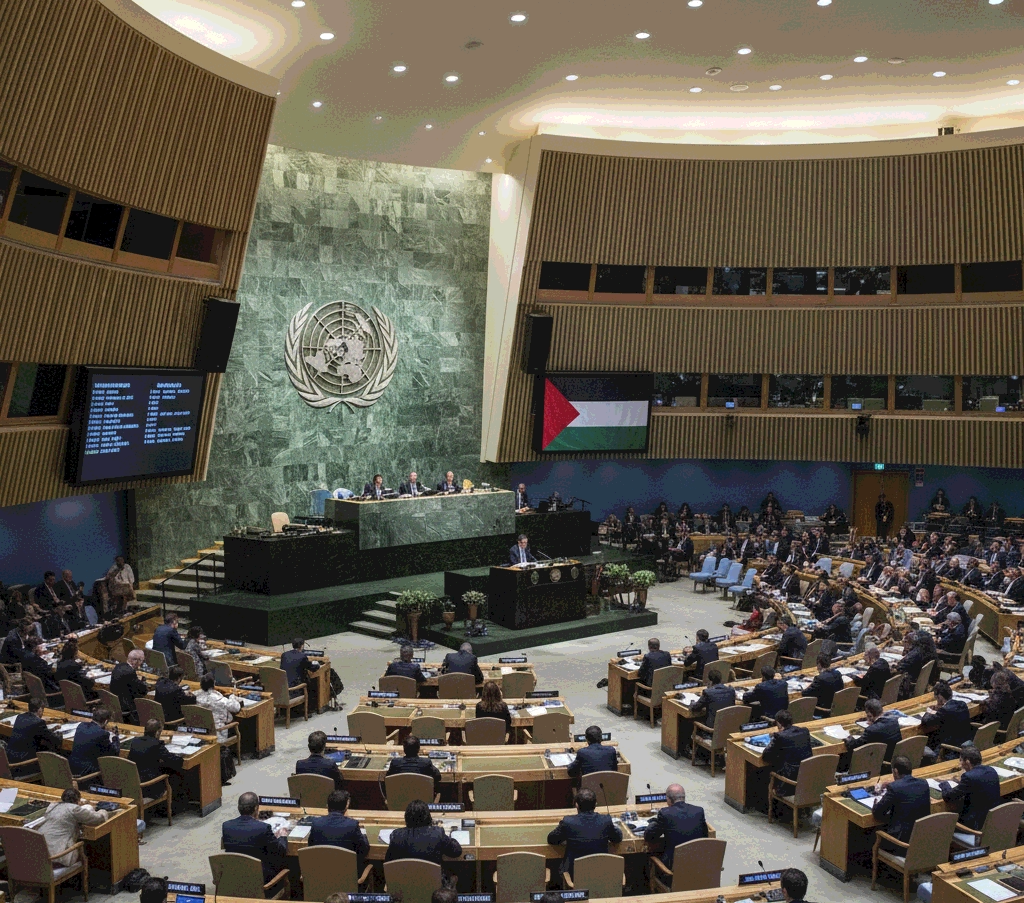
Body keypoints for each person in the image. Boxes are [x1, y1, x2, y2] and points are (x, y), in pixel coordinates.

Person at [546, 788, 622, 880]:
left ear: (576, 805)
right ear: (596, 804)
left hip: (574, 876)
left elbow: (552, 839)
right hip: (601, 874)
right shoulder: (606, 820)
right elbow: (617, 838)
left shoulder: (568, 822)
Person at [222, 791, 289, 881]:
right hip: (260, 881)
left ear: (238, 808)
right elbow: (281, 852)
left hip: (235, 878)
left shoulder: (226, 826)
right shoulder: (263, 828)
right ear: (256, 808)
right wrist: (282, 836)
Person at [642, 783, 708, 868]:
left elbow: (649, 836)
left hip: (673, 869)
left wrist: (653, 822)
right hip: (697, 865)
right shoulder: (699, 811)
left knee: (649, 858)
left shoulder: (665, 814)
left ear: (668, 800)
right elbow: (705, 835)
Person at [39, 788, 109, 867]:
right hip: (58, 857)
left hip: (40, 854)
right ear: (78, 800)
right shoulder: (74, 809)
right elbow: (98, 819)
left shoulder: (52, 806)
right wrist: (103, 811)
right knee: (85, 849)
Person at [941, 746, 1002, 836]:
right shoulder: (991, 770)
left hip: (974, 826)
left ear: (967, 762)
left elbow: (948, 797)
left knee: (943, 823)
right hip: (992, 821)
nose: (960, 764)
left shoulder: (968, 777)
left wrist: (944, 784)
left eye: (961, 760)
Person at [872, 755, 931, 845]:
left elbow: (877, 812)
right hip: (920, 841)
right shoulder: (923, 783)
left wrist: (875, 802)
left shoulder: (894, 788)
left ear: (895, 771)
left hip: (900, 844)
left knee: (875, 833)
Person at [385, 799, 462, 865]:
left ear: (406, 818)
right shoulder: (437, 833)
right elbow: (456, 851)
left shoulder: (396, 835)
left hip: (402, 881)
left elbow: (388, 862)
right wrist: (448, 837)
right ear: (428, 817)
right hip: (432, 881)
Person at [309, 789, 369, 864]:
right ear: (347, 805)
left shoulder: (316, 823)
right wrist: (364, 835)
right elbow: (364, 850)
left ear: (327, 805)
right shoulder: (352, 825)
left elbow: (310, 846)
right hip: (347, 872)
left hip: (321, 870)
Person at [920, 680, 972, 763]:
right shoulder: (962, 704)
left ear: (940, 697)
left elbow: (925, 721)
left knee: (923, 744)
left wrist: (929, 711)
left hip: (950, 749)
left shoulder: (945, 711)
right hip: (965, 742)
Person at [843, 698, 901, 765]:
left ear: (869, 714)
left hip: (879, 762)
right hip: (894, 759)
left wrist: (847, 736)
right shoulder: (895, 720)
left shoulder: (871, 730)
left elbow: (854, 746)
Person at [761, 709, 813, 781]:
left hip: (788, 780)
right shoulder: (804, 731)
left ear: (778, 724)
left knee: (765, 772)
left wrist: (773, 739)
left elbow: (766, 756)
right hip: (805, 776)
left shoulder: (780, 736)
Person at [7, 696, 61, 764]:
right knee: (53, 751)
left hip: (10, 758)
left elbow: (37, 732)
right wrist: (59, 735)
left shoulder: (20, 717)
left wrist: (52, 729)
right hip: (24, 762)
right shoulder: (39, 722)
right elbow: (53, 739)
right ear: (40, 709)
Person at [69, 707, 120, 777]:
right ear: (105, 722)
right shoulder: (102, 734)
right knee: (114, 766)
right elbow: (114, 752)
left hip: (71, 767)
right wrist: (115, 737)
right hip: (87, 772)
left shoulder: (81, 725)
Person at [195, 673, 242, 742]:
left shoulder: (195, 696)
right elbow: (236, 708)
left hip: (200, 731)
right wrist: (232, 697)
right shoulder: (219, 700)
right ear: (213, 684)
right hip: (218, 732)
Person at [110, 649, 149, 723]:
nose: (140, 664)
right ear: (136, 661)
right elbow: (142, 691)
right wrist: (144, 684)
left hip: (115, 703)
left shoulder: (118, 666)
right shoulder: (130, 672)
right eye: (141, 661)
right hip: (126, 706)